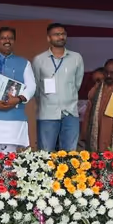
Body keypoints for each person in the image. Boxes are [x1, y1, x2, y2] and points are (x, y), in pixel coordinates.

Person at [32, 23, 85, 152]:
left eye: (63, 34)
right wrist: (48, 100)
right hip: (47, 113)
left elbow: (77, 84)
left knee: (70, 154)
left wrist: (66, 96)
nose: (61, 37)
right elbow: (36, 88)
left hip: (70, 112)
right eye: (56, 34)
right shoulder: (39, 60)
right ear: (48, 38)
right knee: (45, 154)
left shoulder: (76, 58)